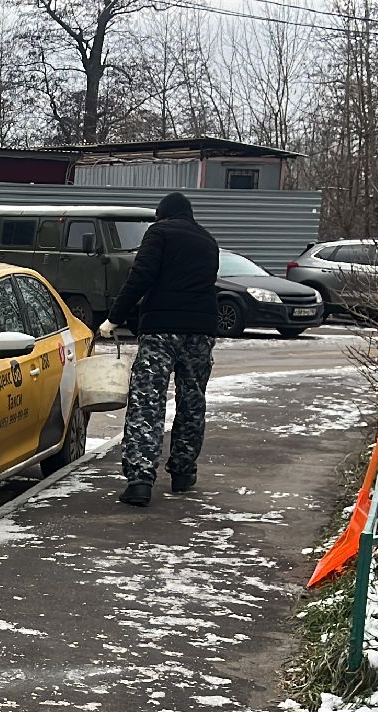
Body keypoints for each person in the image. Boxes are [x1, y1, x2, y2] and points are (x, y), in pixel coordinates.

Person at [97, 191, 220, 507]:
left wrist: (114, 317)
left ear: (162, 216)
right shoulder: (208, 241)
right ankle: (182, 472)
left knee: (147, 400)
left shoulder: (160, 232)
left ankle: (140, 480)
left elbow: (141, 277)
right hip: (201, 332)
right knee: (192, 400)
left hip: (162, 330)